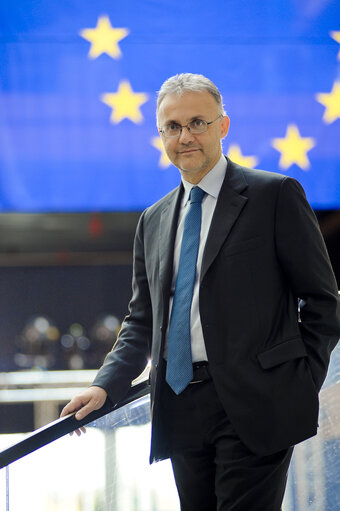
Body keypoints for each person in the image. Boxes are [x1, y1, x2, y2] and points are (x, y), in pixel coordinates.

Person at [61, 73, 340, 510]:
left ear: (223, 126)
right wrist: (105, 385)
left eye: (197, 123)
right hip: (180, 405)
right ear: (161, 135)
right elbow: (141, 320)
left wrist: (299, 383)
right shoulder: (152, 220)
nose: (184, 136)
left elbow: (323, 302)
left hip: (258, 401)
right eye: (172, 127)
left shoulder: (274, 195)